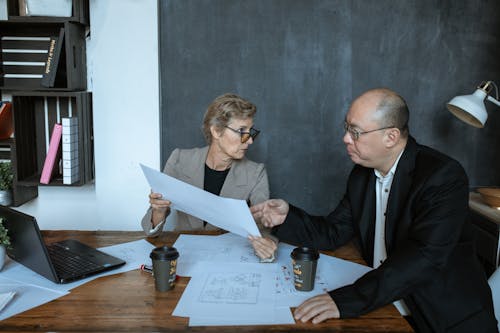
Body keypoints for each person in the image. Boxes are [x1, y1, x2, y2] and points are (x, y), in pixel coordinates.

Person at [251, 88, 498, 332]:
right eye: (346, 128)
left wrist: (348, 300)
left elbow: (423, 258)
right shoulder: (362, 174)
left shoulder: (442, 176)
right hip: (384, 302)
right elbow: (333, 231)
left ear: (390, 137)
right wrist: (285, 217)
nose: (346, 138)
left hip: (443, 317)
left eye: (355, 132)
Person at [141, 93, 277, 262]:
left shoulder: (256, 172)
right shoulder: (179, 160)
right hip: (184, 258)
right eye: (242, 131)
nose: (249, 141)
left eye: (251, 132)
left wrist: (267, 244)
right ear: (216, 131)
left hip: (227, 259)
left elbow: (263, 226)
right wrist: (158, 211)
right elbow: (150, 231)